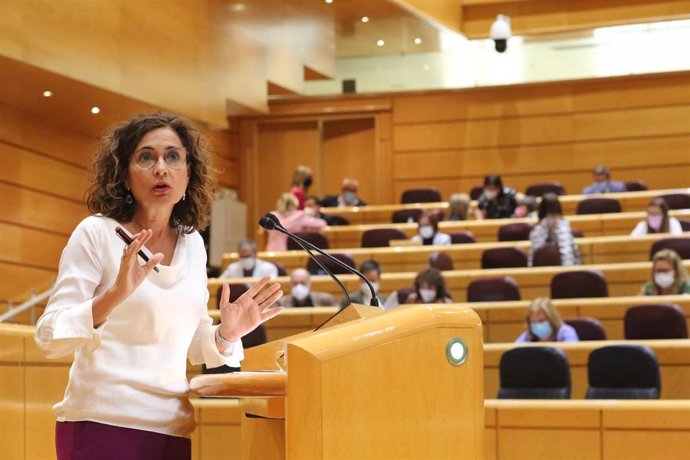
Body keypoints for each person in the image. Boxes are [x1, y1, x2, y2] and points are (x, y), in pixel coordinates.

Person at [34, 112, 284, 460]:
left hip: (171, 429)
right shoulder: (96, 234)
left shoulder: (193, 243)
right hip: (103, 424)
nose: (161, 168)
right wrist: (114, 296)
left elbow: (192, 346)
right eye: (146, 157)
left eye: (172, 156)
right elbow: (49, 337)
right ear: (123, 173)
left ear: (188, 172)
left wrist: (228, 333)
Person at [528, 193, 580, 266]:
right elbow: (533, 258)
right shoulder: (537, 231)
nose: (552, 220)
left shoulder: (563, 228)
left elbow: (568, 258)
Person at [383, 267, 452, 310]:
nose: (425, 290)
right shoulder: (409, 299)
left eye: (430, 287)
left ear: (438, 288)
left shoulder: (445, 303)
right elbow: (387, 313)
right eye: (422, 286)